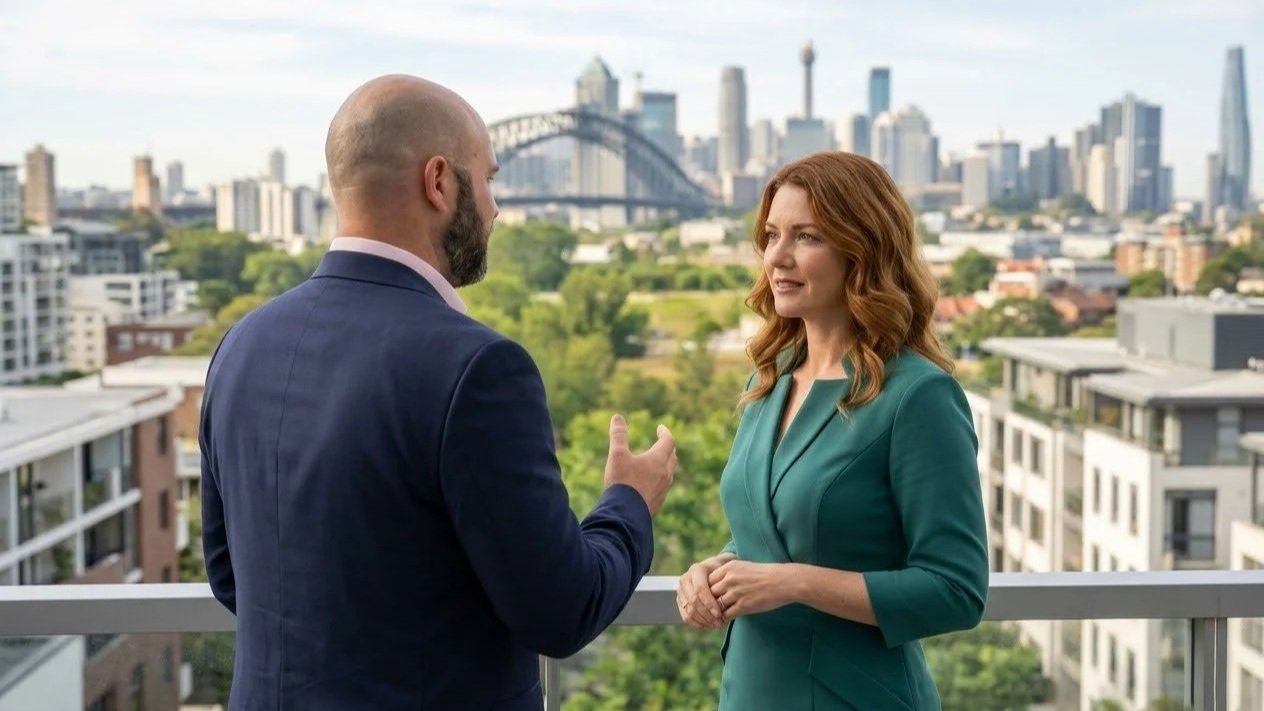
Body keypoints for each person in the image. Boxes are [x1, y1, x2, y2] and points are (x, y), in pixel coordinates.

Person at [199, 74, 678, 710]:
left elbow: (232, 575)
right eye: (488, 179)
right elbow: (561, 611)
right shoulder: (478, 368)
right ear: (439, 182)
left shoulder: (242, 345)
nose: (496, 207)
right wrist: (629, 502)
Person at [677, 152, 988, 710]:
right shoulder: (769, 379)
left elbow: (956, 591)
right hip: (751, 691)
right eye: (771, 235)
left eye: (807, 236)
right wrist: (716, 569)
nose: (778, 256)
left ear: (860, 249)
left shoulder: (918, 396)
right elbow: (776, 529)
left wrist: (794, 583)